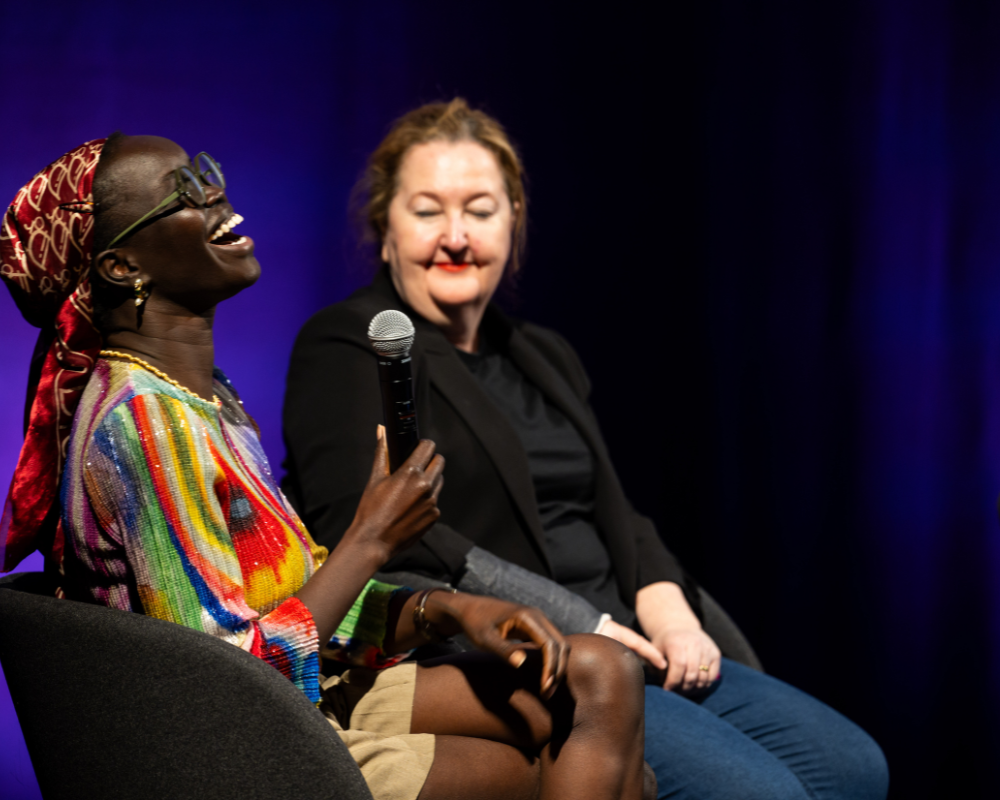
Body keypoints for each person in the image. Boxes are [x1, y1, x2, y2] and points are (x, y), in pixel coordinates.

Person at [0, 134, 655, 800]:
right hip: (242, 743)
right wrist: (372, 539)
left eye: (205, 172)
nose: (216, 193)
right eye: (185, 190)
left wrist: (447, 610)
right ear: (122, 267)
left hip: (300, 687)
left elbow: (296, 594)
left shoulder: (204, 396)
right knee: (546, 773)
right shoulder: (144, 424)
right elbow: (223, 681)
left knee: (599, 677)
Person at [282, 98, 891, 800]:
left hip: (632, 631)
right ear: (385, 229)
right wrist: (588, 624)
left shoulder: (543, 354)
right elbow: (361, 529)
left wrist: (668, 605)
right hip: (519, 649)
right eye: (427, 212)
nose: (455, 236)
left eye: (480, 211)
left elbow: (613, 509)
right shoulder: (351, 342)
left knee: (854, 768)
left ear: (513, 222)